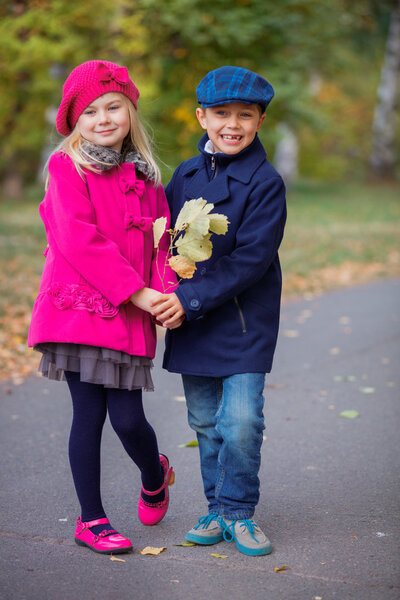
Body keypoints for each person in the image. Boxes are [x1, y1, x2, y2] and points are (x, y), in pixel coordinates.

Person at [28, 60, 180, 555]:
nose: (103, 118)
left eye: (113, 106)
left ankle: (154, 474)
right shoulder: (66, 166)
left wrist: (161, 293)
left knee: (130, 420)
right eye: (89, 111)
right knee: (87, 416)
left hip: (131, 316)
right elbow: (77, 236)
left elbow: (162, 244)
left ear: (130, 111)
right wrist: (136, 291)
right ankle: (91, 520)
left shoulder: (148, 177)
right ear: (74, 120)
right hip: (79, 309)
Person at [152, 66, 287, 556]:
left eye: (245, 115)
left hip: (243, 322)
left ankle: (239, 512)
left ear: (260, 120)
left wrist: (187, 300)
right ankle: (215, 508)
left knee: (242, 421)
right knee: (206, 422)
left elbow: (253, 258)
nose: (232, 124)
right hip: (193, 326)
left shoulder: (266, 182)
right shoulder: (185, 175)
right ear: (201, 117)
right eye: (221, 114)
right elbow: (162, 244)